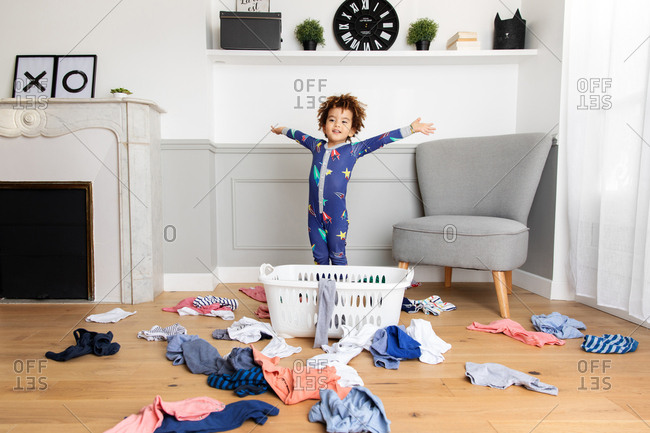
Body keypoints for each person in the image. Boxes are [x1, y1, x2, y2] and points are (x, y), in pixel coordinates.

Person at [271, 93, 435, 265]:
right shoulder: (316, 145)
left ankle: (341, 292)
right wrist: (280, 129)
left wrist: (410, 128)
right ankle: (325, 292)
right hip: (314, 217)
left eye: (344, 121)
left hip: (337, 218)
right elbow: (296, 134)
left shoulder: (353, 150)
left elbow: (382, 139)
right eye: (332, 120)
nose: (337, 125)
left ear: (352, 130)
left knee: (337, 256)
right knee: (319, 258)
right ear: (324, 125)